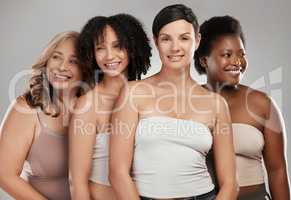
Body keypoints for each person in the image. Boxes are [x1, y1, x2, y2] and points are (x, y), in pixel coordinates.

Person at [109, 4, 237, 200]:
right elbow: (117, 173)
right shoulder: (133, 93)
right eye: (166, 39)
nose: (175, 47)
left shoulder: (216, 104)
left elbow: (229, 184)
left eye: (184, 38)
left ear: (197, 41)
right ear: (156, 42)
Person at [194, 15, 290, 200]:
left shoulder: (262, 104)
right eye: (227, 55)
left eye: (241, 54)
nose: (237, 62)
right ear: (204, 60)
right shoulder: (187, 102)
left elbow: (277, 170)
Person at [69, 14, 151, 200]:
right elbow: (77, 182)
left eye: (117, 46)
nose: (109, 56)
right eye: (100, 48)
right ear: (91, 53)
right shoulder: (88, 105)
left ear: (133, 48)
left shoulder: (148, 95)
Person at [0, 31, 87, 200]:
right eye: (56, 57)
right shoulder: (26, 108)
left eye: (73, 61)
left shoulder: (94, 110)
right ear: (46, 61)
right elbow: (5, 175)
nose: (62, 67)